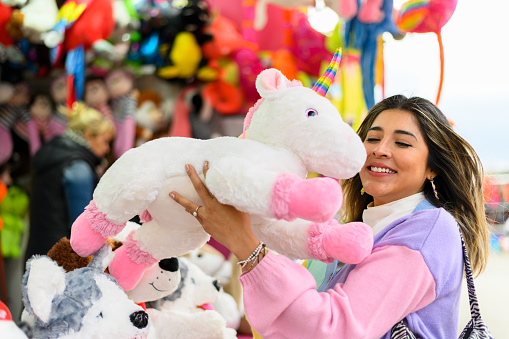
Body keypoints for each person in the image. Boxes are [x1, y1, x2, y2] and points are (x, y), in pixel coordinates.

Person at [170, 94, 490, 338]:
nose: (379, 150)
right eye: (373, 138)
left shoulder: (426, 232)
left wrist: (245, 245)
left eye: (402, 143)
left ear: (433, 165)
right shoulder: (355, 230)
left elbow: (334, 328)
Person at [24, 102, 115, 262]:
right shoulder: (78, 168)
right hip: (61, 259)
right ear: (88, 135)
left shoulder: (53, 154)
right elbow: (81, 225)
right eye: (104, 141)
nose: (107, 149)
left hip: (38, 252)